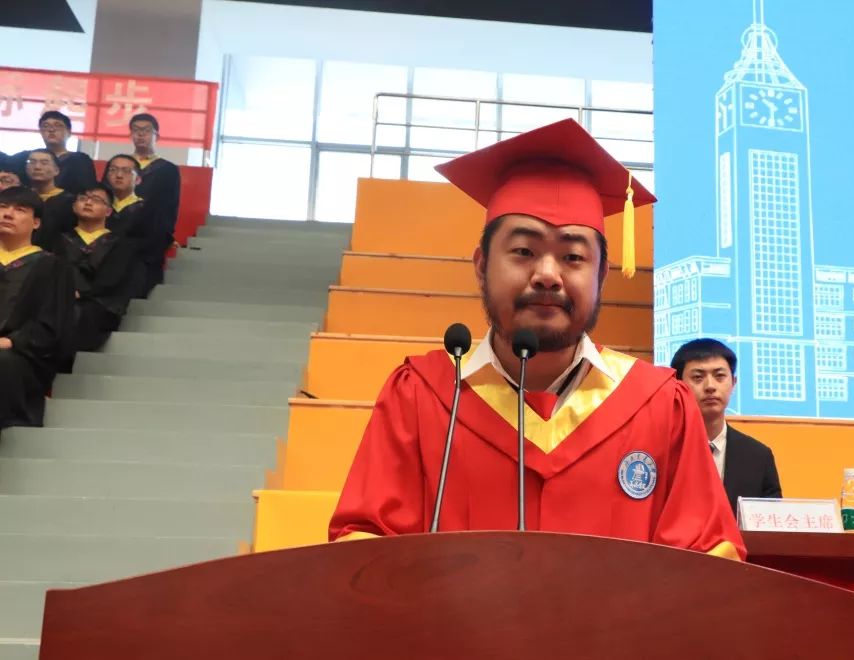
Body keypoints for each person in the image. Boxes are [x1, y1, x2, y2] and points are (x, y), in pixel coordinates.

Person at [329, 119, 746, 560]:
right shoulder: (421, 396)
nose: (547, 274)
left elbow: (710, 556)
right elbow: (364, 551)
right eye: (524, 251)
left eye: (573, 256)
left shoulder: (660, 404)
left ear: (601, 274)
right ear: (481, 265)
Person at [671, 338, 782, 515]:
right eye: (698, 377)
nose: (710, 386)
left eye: (719, 376)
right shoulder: (661, 450)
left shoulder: (758, 457)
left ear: (733, 383)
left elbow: (771, 523)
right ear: (677, 387)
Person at [0, 186, 75, 428]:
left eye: (20, 209)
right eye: (2, 207)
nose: (7, 214)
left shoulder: (51, 266)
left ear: (36, 223)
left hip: (19, 354)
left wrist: (12, 341)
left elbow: (52, 323)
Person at [53, 184, 137, 352]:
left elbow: (113, 281)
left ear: (108, 211)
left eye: (96, 200)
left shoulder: (119, 244)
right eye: (83, 198)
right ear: (74, 206)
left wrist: (81, 293)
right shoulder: (56, 240)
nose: (88, 202)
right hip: (59, 299)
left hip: (98, 305)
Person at [129, 113, 180, 290]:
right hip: (121, 233)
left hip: (152, 237)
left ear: (156, 135)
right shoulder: (121, 166)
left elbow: (171, 207)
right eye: (136, 130)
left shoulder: (168, 169)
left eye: (146, 130)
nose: (140, 134)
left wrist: (165, 236)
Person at [102, 154, 155, 297]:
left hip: (130, 275)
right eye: (113, 170)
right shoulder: (98, 207)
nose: (119, 175)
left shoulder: (148, 210)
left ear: (138, 179)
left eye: (126, 171)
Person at [13, 111, 97, 193]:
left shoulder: (80, 160)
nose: (51, 129)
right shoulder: (27, 157)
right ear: (41, 132)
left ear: (69, 132)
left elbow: (88, 189)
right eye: (46, 126)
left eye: (58, 125)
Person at [25, 149, 76, 249]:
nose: (37, 167)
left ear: (56, 170)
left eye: (44, 163)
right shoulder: (20, 197)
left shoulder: (70, 201)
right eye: (32, 162)